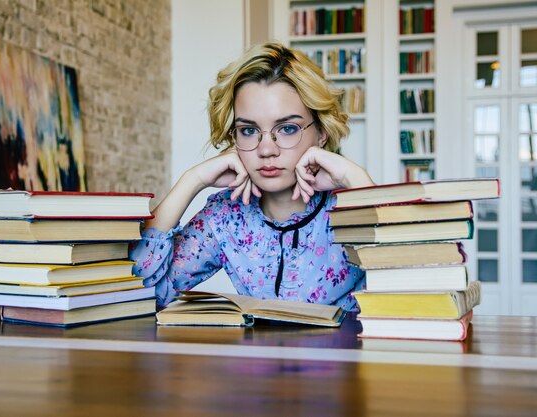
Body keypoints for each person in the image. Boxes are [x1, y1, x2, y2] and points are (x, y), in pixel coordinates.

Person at [130, 42, 374, 311]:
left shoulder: (349, 205)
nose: (266, 149)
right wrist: (192, 180)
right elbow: (137, 290)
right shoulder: (226, 216)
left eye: (288, 128)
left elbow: (410, 288)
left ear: (322, 132)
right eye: (248, 130)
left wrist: (356, 180)